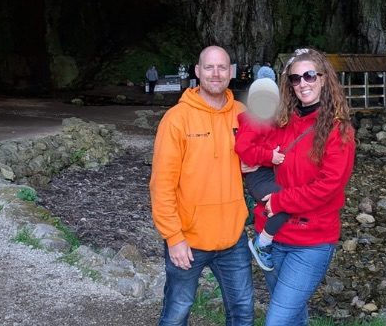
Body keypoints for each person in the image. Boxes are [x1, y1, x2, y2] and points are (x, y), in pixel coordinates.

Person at [149, 46, 253, 326]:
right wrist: (173, 237)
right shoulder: (177, 119)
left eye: (222, 67)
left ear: (231, 72)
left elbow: (259, 160)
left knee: (243, 313)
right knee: (176, 313)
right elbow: (162, 184)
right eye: (209, 67)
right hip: (189, 240)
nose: (216, 74)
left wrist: (254, 164)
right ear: (197, 72)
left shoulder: (242, 114)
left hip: (233, 239)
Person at [254, 48, 355, 326]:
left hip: (311, 242)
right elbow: (255, 146)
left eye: (310, 75)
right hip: (272, 236)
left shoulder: (338, 130)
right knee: (293, 315)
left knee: (277, 320)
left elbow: (329, 186)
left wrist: (280, 201)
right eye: (295, 79)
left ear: (324, 79)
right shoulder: (282, 121)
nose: (303, 83)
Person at [235, 76, 286, 272]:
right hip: (258, 177)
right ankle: (262, 242)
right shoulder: (253, 120)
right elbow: (242, 147)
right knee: (283, 202)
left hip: (266, 174)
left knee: (285, 200)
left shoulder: (272, 121)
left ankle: (265, 238)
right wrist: (269, 157)